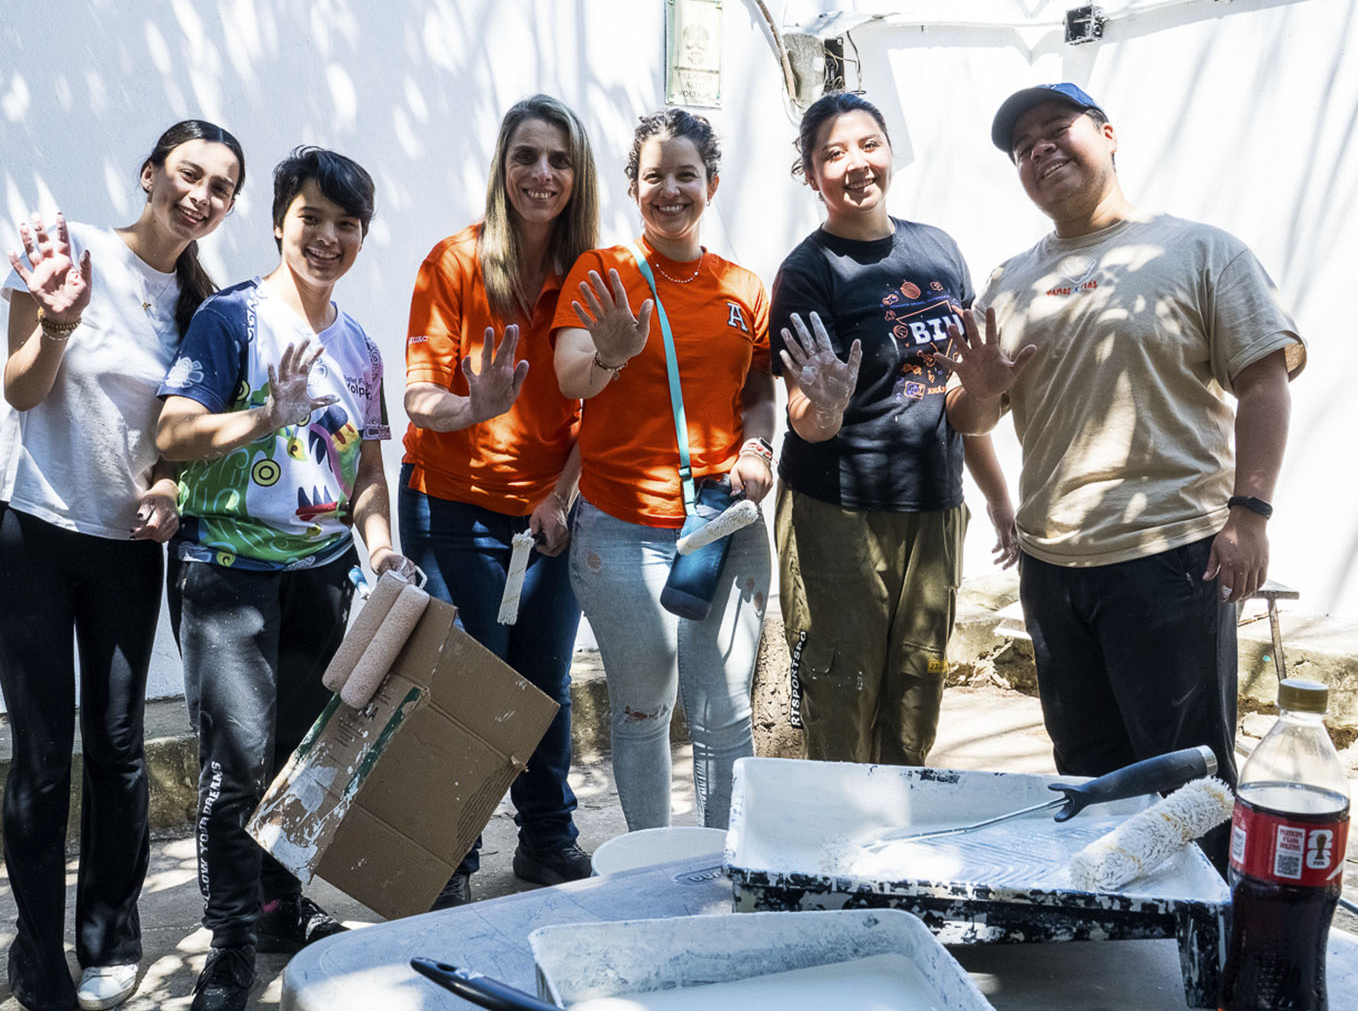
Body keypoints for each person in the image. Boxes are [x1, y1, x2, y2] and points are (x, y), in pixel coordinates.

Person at [942, 82, 1306, 872]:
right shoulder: (1009, 280)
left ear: (1107, 134)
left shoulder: (1201, 251)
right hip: (1052, 570)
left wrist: (1250, 513)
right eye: (1022, 147)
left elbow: (1264, 382)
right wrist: (981, 390)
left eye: (1056, 128)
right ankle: (1115, 925)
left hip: (1169, 558)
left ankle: (1209, 936)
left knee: (1189, 785)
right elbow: (970, 419)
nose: (1040, 149)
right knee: (1088, 781)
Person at [0, 120, 246, 1011]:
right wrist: (59, 322)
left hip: (126, 547)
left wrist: (168, 486)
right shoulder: (69, 250)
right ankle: (35, 945)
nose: (199, 195)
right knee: (43, 751)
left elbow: (178, 438)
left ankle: (109, 938)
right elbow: (20, 387)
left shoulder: (204, 311)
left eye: (220, 187)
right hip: (26, 527)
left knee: (119, 747)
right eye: (187, 173)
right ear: (150, 174)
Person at [155, 146, 413, 1011]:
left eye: (347, 224)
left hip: (320, 576)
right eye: (311, 218)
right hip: (226, 570)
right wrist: (268, 415)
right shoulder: (230, 319)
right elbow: (173, 431)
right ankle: (229, 942)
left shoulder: (361, 347)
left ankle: (281, 907)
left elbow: (367, 473)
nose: (328, 237)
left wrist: (381, 551)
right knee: (237, 764)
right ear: (277, 222)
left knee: (308, 759)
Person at [770, 91, 1017, 768]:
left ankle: (897, 825)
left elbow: (958, 397)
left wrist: (997, 495)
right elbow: (804, 418)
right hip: (838, 511)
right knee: (840, 692)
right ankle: (836, 829)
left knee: (917, 688)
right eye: (834, 153)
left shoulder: (939, 251)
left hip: (934, 506)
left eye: (869, 144)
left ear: (889, 152)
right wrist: (827, 405)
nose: (857, 163)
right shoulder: (808, 273)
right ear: (811, 174)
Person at [399, 96, 600, 906]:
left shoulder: (594, 275)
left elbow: (602, 411)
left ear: (577, 175)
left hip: (549, 512)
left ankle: (547, 838)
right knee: (463, 690)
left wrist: (560, 496)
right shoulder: (453, 262)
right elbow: (418, 398)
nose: (541, 173)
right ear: (502, 166)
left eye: (558, 159)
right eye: (525, 156)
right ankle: (449, 856)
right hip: (452, 508)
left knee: (543, 684)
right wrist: (474, 407)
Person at [554, 107, 773, 833]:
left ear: (712, 184)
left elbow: (758, 393)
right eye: (655, 176)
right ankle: (651, 865)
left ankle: (720, 864)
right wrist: (611, 352)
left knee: (725, 713)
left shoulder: (744, 287)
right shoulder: (601, 273)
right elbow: (571, 377)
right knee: (644, 710)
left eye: (687, 175)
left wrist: (758, 449)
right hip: (621, 529)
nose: (670, 190)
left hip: (724, 523)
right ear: (633, 187)